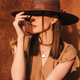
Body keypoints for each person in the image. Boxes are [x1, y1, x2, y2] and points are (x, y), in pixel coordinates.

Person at [10, 0, 80, 80]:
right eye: (31, 15)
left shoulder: (67, 52)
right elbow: (17, 78)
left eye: (38, 14)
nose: (32, 19)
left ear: (54, 19)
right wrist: (20, 37)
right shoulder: (24, 43)